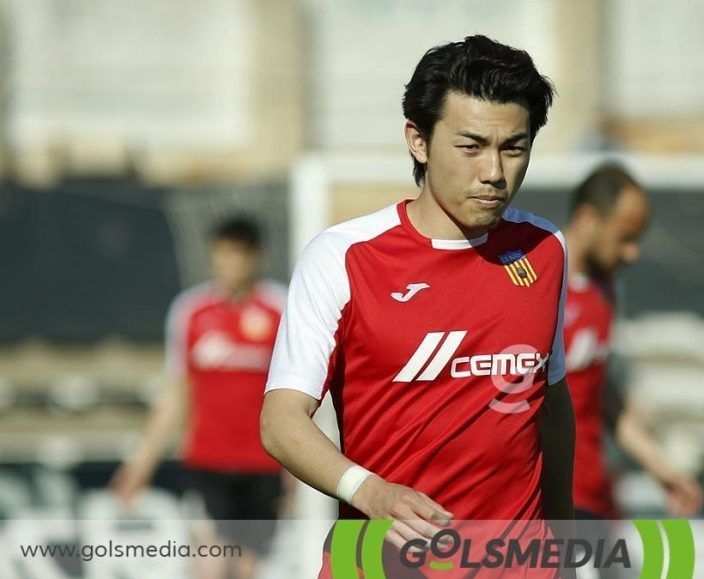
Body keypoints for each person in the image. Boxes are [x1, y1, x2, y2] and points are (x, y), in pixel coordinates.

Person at [259, 35, 575, 576]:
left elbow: (552, 409)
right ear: (419, 141)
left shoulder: (546, 250)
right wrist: (372, 493)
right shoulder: (343, 257)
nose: (494, 172)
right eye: (471, 146)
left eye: (513, 147)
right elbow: (281, 421)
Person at [110, 217, 290, 579]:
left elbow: (298, 396)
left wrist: (296, 469)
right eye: (221, 256)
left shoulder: (281, 309)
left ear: (256, 257)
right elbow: (176, 392)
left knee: (247, 568)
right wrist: (141, 462)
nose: (227, 266)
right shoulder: (190, 311)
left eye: (236, 256)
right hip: (207, 461)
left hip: (263, 462)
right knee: (209, 562)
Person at [563, 163, 704, 521]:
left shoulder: (604, 289)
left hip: (597, 496)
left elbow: (597, 389)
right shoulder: (531, 283)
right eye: (624, 238)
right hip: (547, 503)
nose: (632, 254)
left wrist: (658, 465)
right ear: (587, 219)